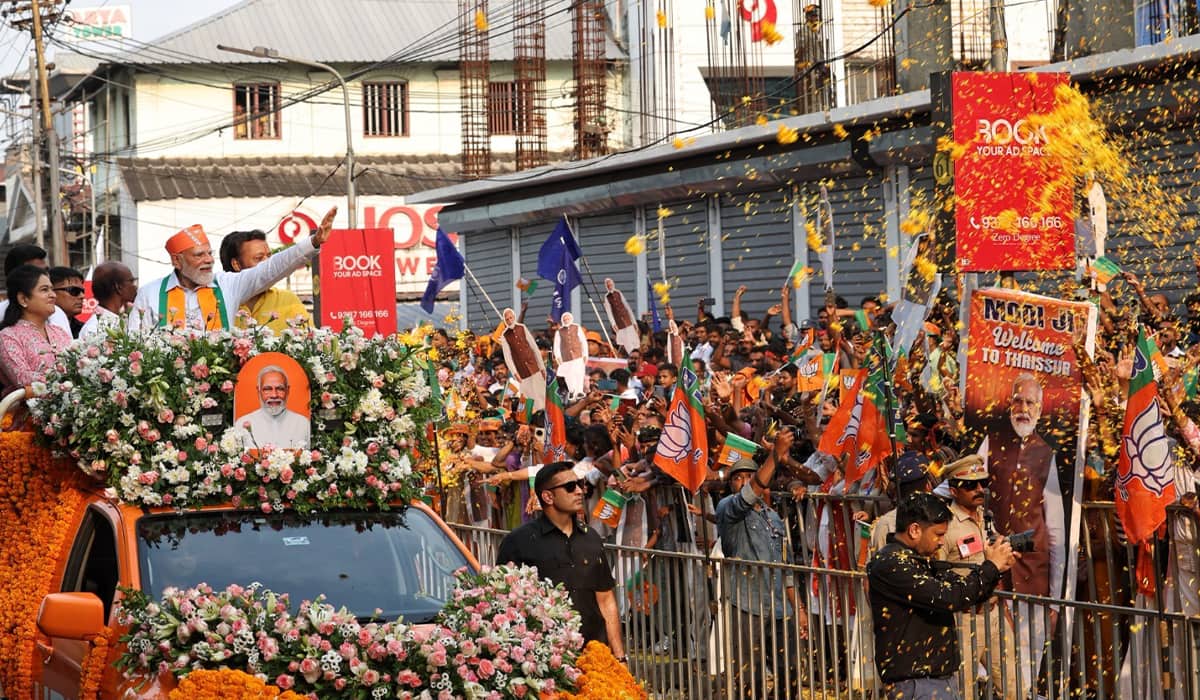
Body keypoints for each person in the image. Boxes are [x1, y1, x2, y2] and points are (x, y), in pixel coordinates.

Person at [867, 492, 1015, 700]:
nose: (941, 542)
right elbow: (949, 597)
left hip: (935, 679)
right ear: (915, 530)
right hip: (917, 683)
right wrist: (991, 567)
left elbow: (962, 588)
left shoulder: (920, 561)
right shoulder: (892, 564)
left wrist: (997, 569)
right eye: (938, 534)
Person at [978, 373, 1065, 690]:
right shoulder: (991, 442)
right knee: (991, 665)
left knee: (1025, 671)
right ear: (1008, 403)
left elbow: (1055, 530)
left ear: (1040, 410)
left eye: (1030, 402)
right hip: (996, 572)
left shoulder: (1046, 454)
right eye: (1018, 400)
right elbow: (964, 487)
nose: (1023, 408)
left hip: (1033, 576)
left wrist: (1056, 601)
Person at [495, 461, 627, 661]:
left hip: (594, 655)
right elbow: (504, 604)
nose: (579, 491)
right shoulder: (518, 542)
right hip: (546, 662)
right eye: (570, 487)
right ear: (548, 496)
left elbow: (606, 599)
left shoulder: (591, 538)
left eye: (580, 484)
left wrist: (620, 657)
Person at [128, 207, 335, 331]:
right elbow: (136, 345)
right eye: (199, 255)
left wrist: (313, 242)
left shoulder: (226, 284)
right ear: (177, 261)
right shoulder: (150, 294)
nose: (208, 260)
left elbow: (271, 269)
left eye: (209, 253)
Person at [716, 429, 808, 698]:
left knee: (789, 673)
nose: (743, 482)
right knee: (748, 676)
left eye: (748, 476)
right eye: (738, 478)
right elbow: (748, 495)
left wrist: (799, 609)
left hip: (780, 607)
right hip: (746, 604)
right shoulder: (727, 508)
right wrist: (775, 456)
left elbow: (786, 567)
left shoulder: (774, 518)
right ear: (731, 484)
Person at [938, 454, 1018, 699]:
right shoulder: (945, 527)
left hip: (993, 614)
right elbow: (938, 578)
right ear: (954, 490)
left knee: (1014, 688)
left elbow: (994, 566)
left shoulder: (987, 518)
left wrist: (1004, 609)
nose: (979, 489)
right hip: (963, 620)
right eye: (970, 485)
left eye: (982, 482)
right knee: (965, 691)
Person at [218, 229, 313, 332]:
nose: (268, 263)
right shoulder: (219, 305)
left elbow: (312, 341)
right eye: (258, 258)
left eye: (269, 256)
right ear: (236, 264)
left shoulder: (288, 300)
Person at [0, 265, 73, 394]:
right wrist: (67, 382)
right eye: (45, 290)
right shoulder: (7, 336)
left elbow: (79, 365)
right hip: (27, 412)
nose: (53, 295)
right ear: (23, 299)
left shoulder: (60, 332)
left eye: (52, 289)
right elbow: (22, 379)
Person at [0, 244, 72, 334]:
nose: (44, 276)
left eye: (46, 271)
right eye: (35, 272)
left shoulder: (58, 314)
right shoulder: (6, 333)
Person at [238, 366, 310, 449]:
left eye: (280, 389)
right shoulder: (241, 424)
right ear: (258, 391)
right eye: (267, 389)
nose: (274, 395)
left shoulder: (303, 424)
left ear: (288, 390)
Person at [499, 306, 546, 411]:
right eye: (507, 319)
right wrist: (515, 373)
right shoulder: (505, 335)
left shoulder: (522, 328)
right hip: (521, 370)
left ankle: (543, 412)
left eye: (511, 318)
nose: (510, 321)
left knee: (540, 391)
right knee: (527, 394)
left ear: (514, 317)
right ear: (505, 321)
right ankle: (532, 414)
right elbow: (508, 357)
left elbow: (534, 347)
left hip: (533, 365)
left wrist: (541, 366)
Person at [79, 262, 138, 338]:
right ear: (118, 287)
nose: (135, 287)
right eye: (131, 281)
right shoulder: (94, 329)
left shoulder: (121, 322)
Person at [553, 311, 588, 400]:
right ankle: (572, 391)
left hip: (578, 354)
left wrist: (585, 354)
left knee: (579, 373)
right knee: (568, 374)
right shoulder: (559, 332)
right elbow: (556, 346)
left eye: (568, 318)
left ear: (571, 319)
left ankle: (579, 391)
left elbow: (583, 341)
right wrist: (558, 357)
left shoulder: (577, 327)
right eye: (564, 319)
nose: (566, 320)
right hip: (566, 357)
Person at [603, 278, 639, 355]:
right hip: (618, 321)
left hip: (627, 318)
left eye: (610, 284)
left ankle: (636, 352)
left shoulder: (618, 293)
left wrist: (633, 321)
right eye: (608, 285)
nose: (609, 286)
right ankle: (630, 354)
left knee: (632, 336)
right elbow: (609, 312)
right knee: (625, 339)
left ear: (613, 284)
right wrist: (613, 323)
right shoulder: (607, 297)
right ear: (606, 286)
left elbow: (627, 306)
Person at [48, 266, 86, 338]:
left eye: (82, 291)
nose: (82, 296)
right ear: (51, 292)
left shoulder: (85, 330)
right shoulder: (40, 330)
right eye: (74, 291)